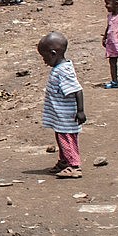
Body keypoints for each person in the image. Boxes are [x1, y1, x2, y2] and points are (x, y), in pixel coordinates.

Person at [38, 31, 86, 179]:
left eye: (44, 57)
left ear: (53, 54)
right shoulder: (59, 69)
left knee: (67, 140)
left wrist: (80, 111)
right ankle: (64, 161)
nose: (44, 61)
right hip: (60, 116)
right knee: (61, 138)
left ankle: (74, 166)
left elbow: (77, 90)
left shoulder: (64, 71)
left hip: (66, 117)